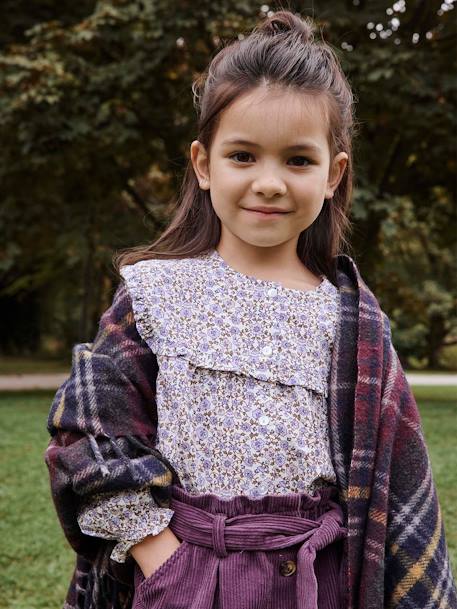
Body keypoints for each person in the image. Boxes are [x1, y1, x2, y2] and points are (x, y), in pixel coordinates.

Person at [44, 10, 457, 609]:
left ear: (334, 175)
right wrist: (165, 560)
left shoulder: (353, 322)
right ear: (203, 164)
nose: (269, 182)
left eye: (297, 160)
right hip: (179, 574)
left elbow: (396, 484)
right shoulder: (155, 292)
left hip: (317, 582)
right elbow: (88, 434)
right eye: (242, 156)